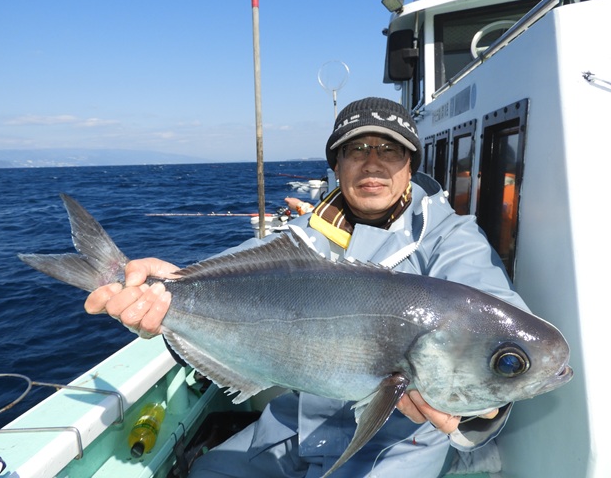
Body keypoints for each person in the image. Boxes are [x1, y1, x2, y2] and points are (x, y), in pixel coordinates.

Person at [85, 97, 528, 477]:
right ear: (336, 165)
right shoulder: (298, 238)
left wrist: (487, 400)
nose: (373, 162)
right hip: (293, 425)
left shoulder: (450, 236)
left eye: (390, 150)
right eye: (356, 149)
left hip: (395, 441)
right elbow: (216, 286)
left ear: (410, 164)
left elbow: (497, 317)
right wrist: (162, 294)